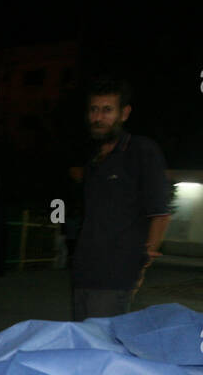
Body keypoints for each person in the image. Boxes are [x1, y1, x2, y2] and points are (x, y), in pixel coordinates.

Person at [70, 77, 172, 320]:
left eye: (107, 110)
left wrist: (140, 268)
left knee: (100, 349)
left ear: (124, 114)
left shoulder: (141, 151)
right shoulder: (94, 158)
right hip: (83, 273)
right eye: (94, 110)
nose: (98, 117)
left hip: (114, 277)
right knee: (80, 348)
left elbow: (160, 214)